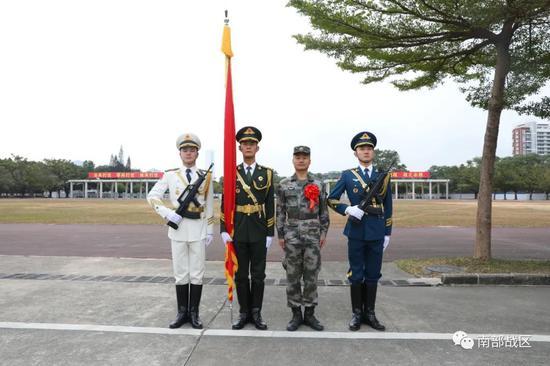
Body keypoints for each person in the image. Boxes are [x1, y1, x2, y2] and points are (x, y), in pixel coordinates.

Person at [147, 133, 214, 329]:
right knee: (180, 273)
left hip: (199, 230)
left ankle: (194, 314)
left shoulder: (206, 176)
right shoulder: (170, 175)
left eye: (192, 150)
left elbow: (209, 205)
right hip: (177, 230)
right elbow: (152, 197)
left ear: (197, 153)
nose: (188, 153)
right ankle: (181, 312)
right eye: (185, 150)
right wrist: (167, 214)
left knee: (197, 274)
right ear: (180, 153)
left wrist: (210, 230)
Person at [327, 131, 393, 331]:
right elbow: (331, 199)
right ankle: (357, 314)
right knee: (356, 274)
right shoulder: (348, 175)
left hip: (377, 230)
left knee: (373, 274)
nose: (366, 151)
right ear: (355, 153)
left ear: (373, 152)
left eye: (369, 148)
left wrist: (387, 232)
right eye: (362, 148)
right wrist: (348, 209)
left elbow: (388, 205)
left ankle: (370, 314)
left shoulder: (383, 175)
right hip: (356, 231)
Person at [220, 126, 275, 330]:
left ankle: (256, 312)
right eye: (245, 144)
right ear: (240, 148)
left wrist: (270, 232)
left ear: (257, 148)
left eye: (252, 144)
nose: (248, 147)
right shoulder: (231, 172)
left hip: (260, 230)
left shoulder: (267, 174)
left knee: (259, 275)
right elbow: (225, 202)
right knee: (241, 275)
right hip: (239, 230)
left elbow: (270, 204)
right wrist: (224, 228)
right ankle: (244, 312)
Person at [276, 146, 329, 331]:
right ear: (293, 160)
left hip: (313, 234)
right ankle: (296, 314)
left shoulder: (319, 184)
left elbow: (323, 212)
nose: (301, 160)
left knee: (311, 275)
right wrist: (281, 235)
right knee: (292, 275)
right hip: (292, 235)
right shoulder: (284, 184)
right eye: (297, 157)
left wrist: (323, 233)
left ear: (309, 161)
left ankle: (310, 314)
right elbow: (280, 212)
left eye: (304, 157)